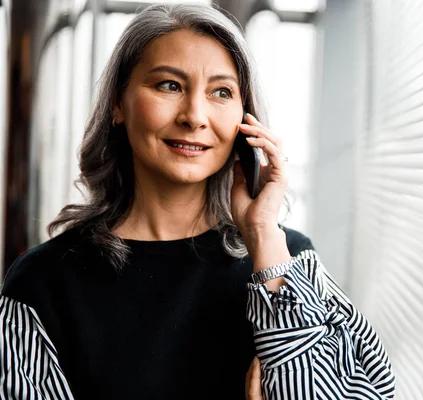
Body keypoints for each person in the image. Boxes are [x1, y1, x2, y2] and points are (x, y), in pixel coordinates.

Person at [0, 3, 396, 399]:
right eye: (169, 85)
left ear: (245, 120)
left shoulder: (287, 260)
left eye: (221, 92)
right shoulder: (42, 283)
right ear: (118, 104)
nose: (194, 115)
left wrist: (262, 235)